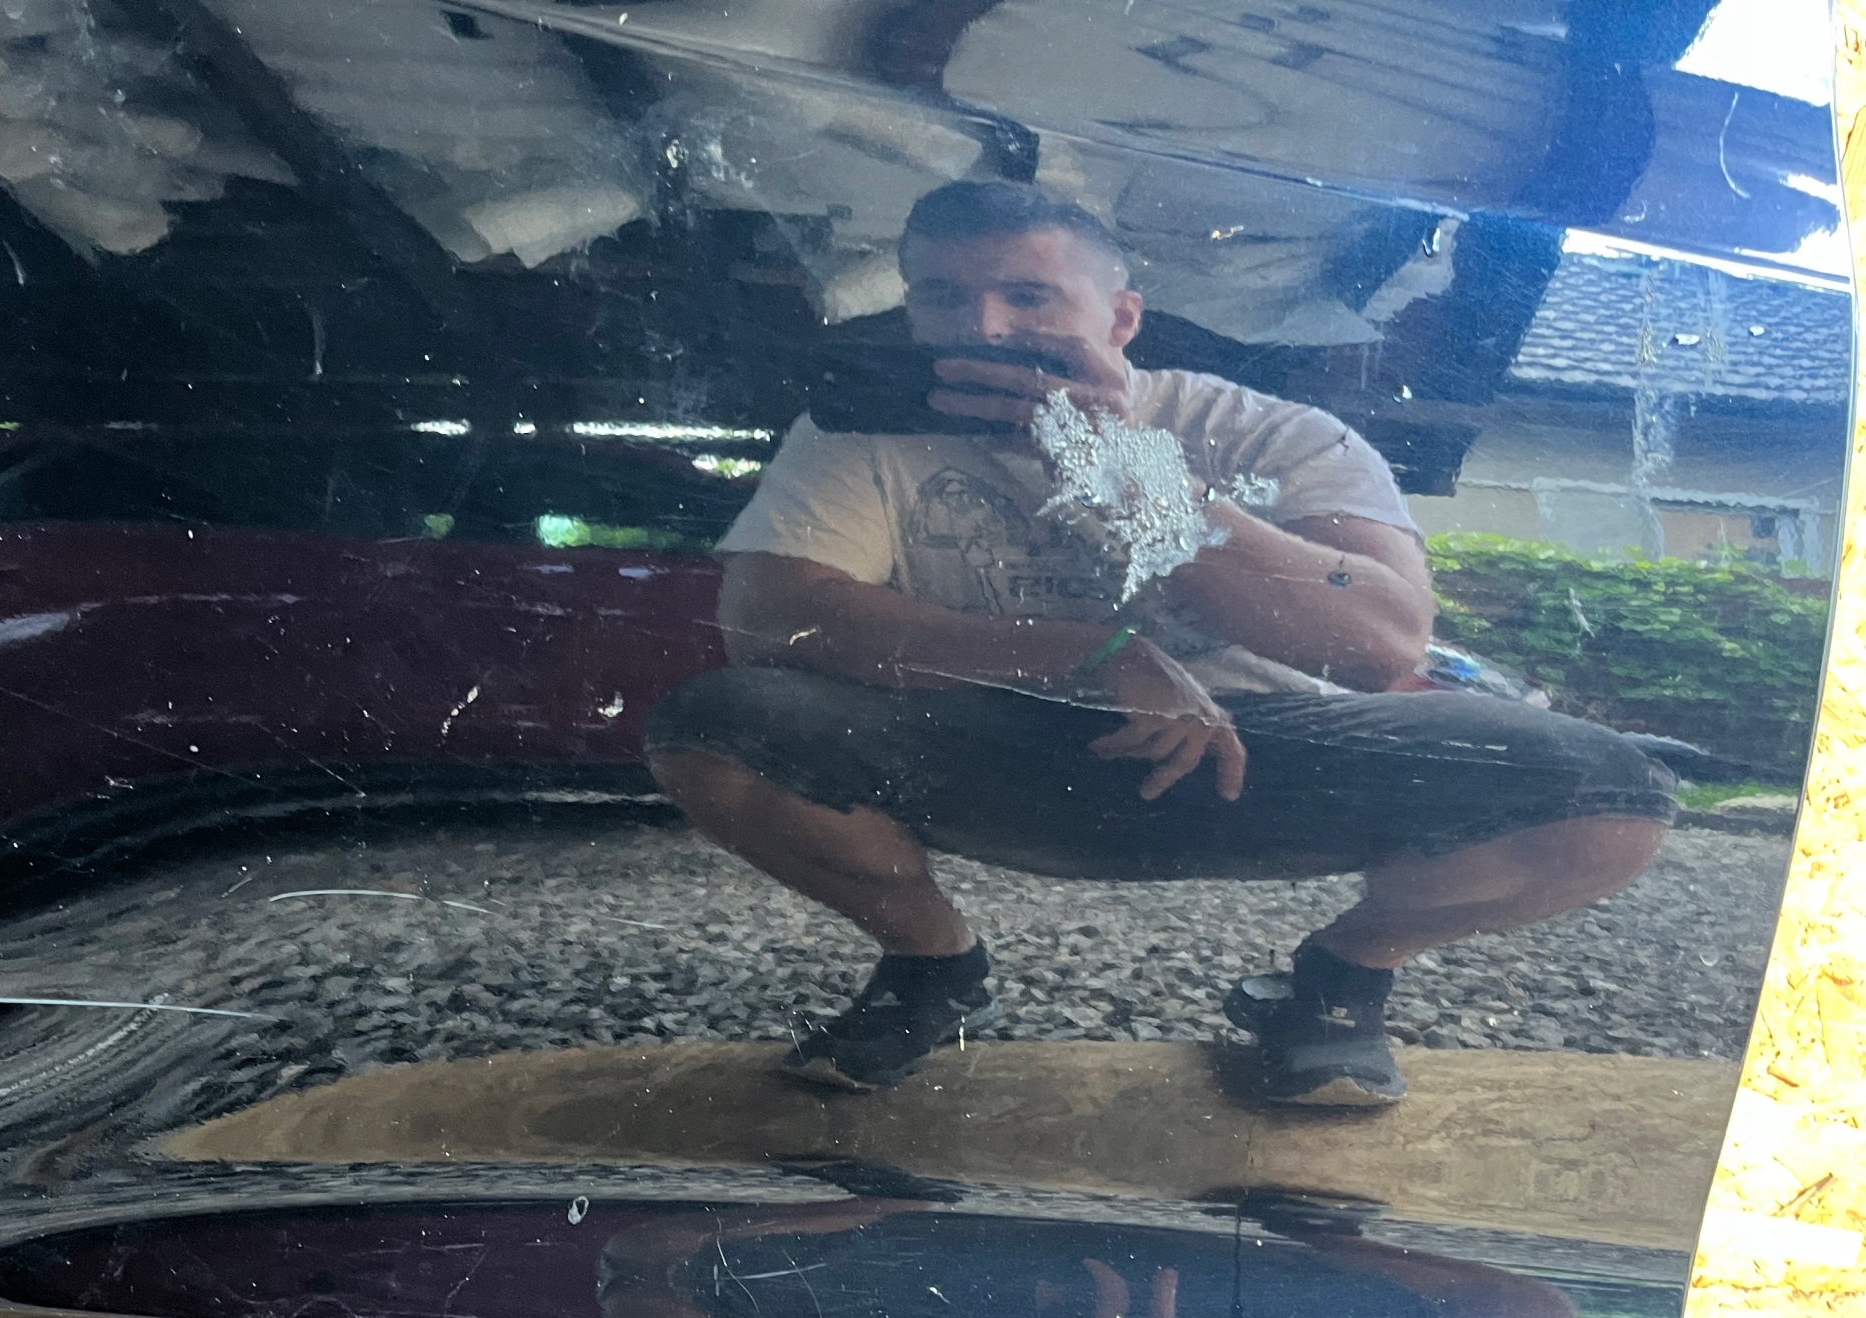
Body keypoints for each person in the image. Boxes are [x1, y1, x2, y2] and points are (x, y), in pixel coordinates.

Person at [644, 181, 1675, 1105]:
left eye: (1028, 297)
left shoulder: (1277, 433)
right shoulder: (860, 428)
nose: (984, 327)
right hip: (1002, 747)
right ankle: (931, 962)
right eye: (943, 296)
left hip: (1270, 753)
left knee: (1608, 798)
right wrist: (1094, 651)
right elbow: (770, 620)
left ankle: (1341, 977)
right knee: (718, 727)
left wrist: (1129, 471)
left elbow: (1375, 645)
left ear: (1121, 319)